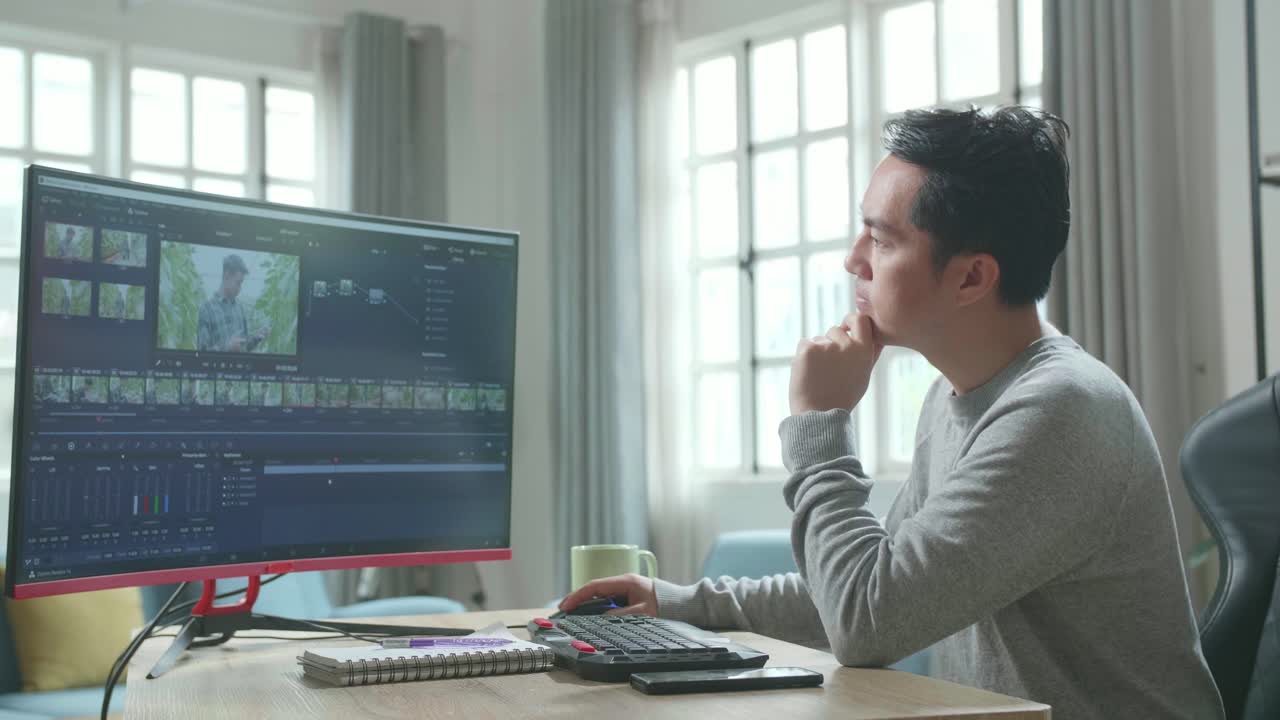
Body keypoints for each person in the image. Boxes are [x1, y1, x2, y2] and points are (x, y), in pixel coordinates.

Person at [561, 107, 1224, 719]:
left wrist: (819, 424)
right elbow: (877, 587)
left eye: (880, 240)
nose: (854, 260)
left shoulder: (1059, 411)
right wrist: (679, 603)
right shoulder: (957, 394)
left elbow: (866, 622)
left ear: (971, 278)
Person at [197, 254, 267, 352]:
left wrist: (256, 338)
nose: (240, 288)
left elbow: (244, 347)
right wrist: (227, 348)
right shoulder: (207, 309)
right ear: (226, 276)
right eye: (238, 283)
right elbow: (202, 352)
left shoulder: (239, 309)